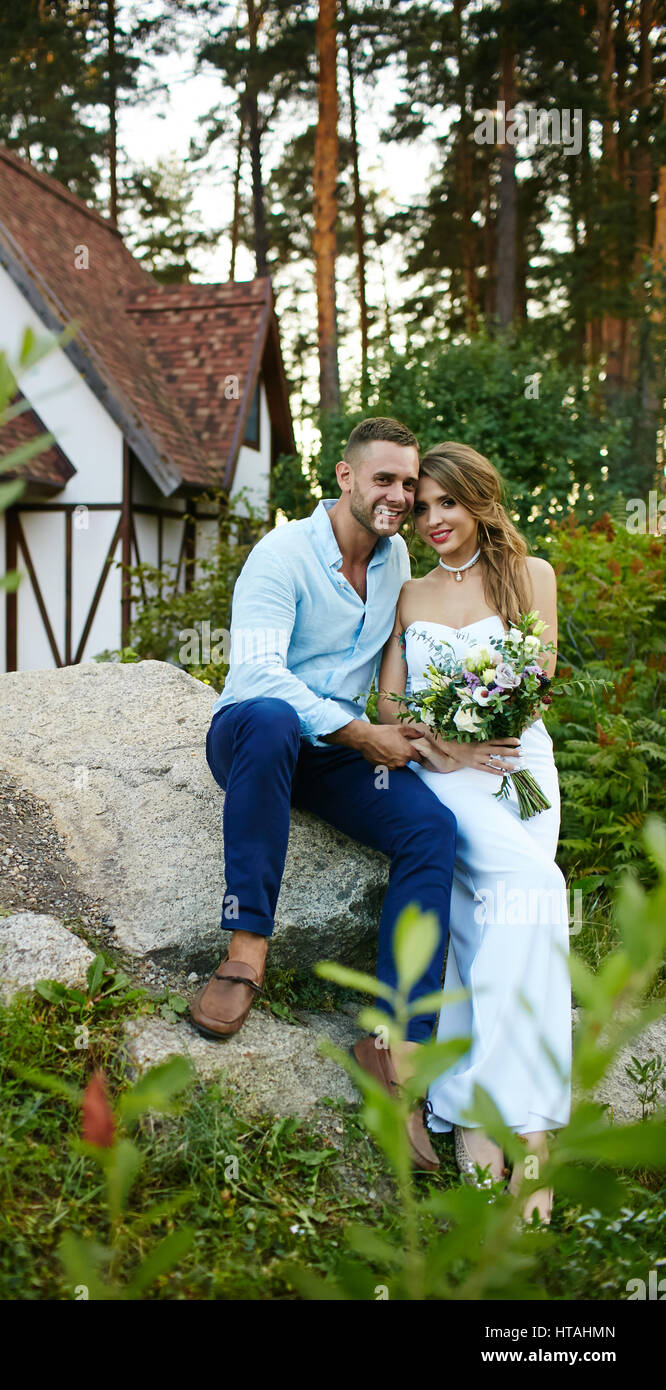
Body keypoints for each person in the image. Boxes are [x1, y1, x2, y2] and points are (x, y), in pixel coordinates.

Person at [188, 417, 459, 1172]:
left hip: (336, 757)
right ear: (344, 477)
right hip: (254, 737)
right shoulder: (280, 555)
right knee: (275, 715)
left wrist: (421, 734)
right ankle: (245, 949)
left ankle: (396, 1047)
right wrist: (359, 731)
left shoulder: (398, 556)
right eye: (385, 480)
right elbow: (260, 674)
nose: (401, 496)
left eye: (409, 483)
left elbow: (395, 675)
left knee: (431, 831)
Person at [377, 441, 572, 1224]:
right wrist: (448, 745)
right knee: (537, 889)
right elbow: (389, 708)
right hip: (443, 777)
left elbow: (542, 676)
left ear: (480, 501)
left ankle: (472, 1118)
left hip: (520, 769)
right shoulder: (409, 593)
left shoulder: (532, 577)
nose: (430, 520)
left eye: (445, 504)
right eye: (420, 508)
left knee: (490, 932)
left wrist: (486, 729)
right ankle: (525, 1129)